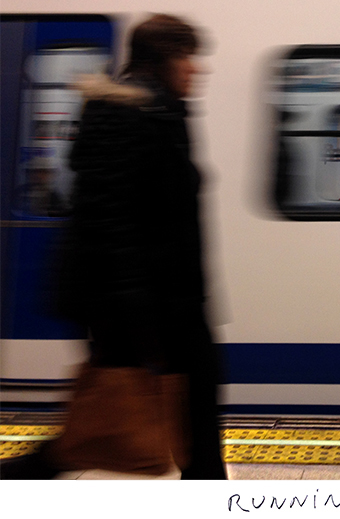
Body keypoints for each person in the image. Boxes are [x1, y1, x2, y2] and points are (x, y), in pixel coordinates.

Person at [1, 14, 225, 480]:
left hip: (166, 303)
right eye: (188, 57)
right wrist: (140, 318)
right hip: (147, 306)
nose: (196, 69)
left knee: (170, 425)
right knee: (114, 425)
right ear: (165, 59)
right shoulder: (129, 112)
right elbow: (111, 221)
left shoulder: (159, 110)